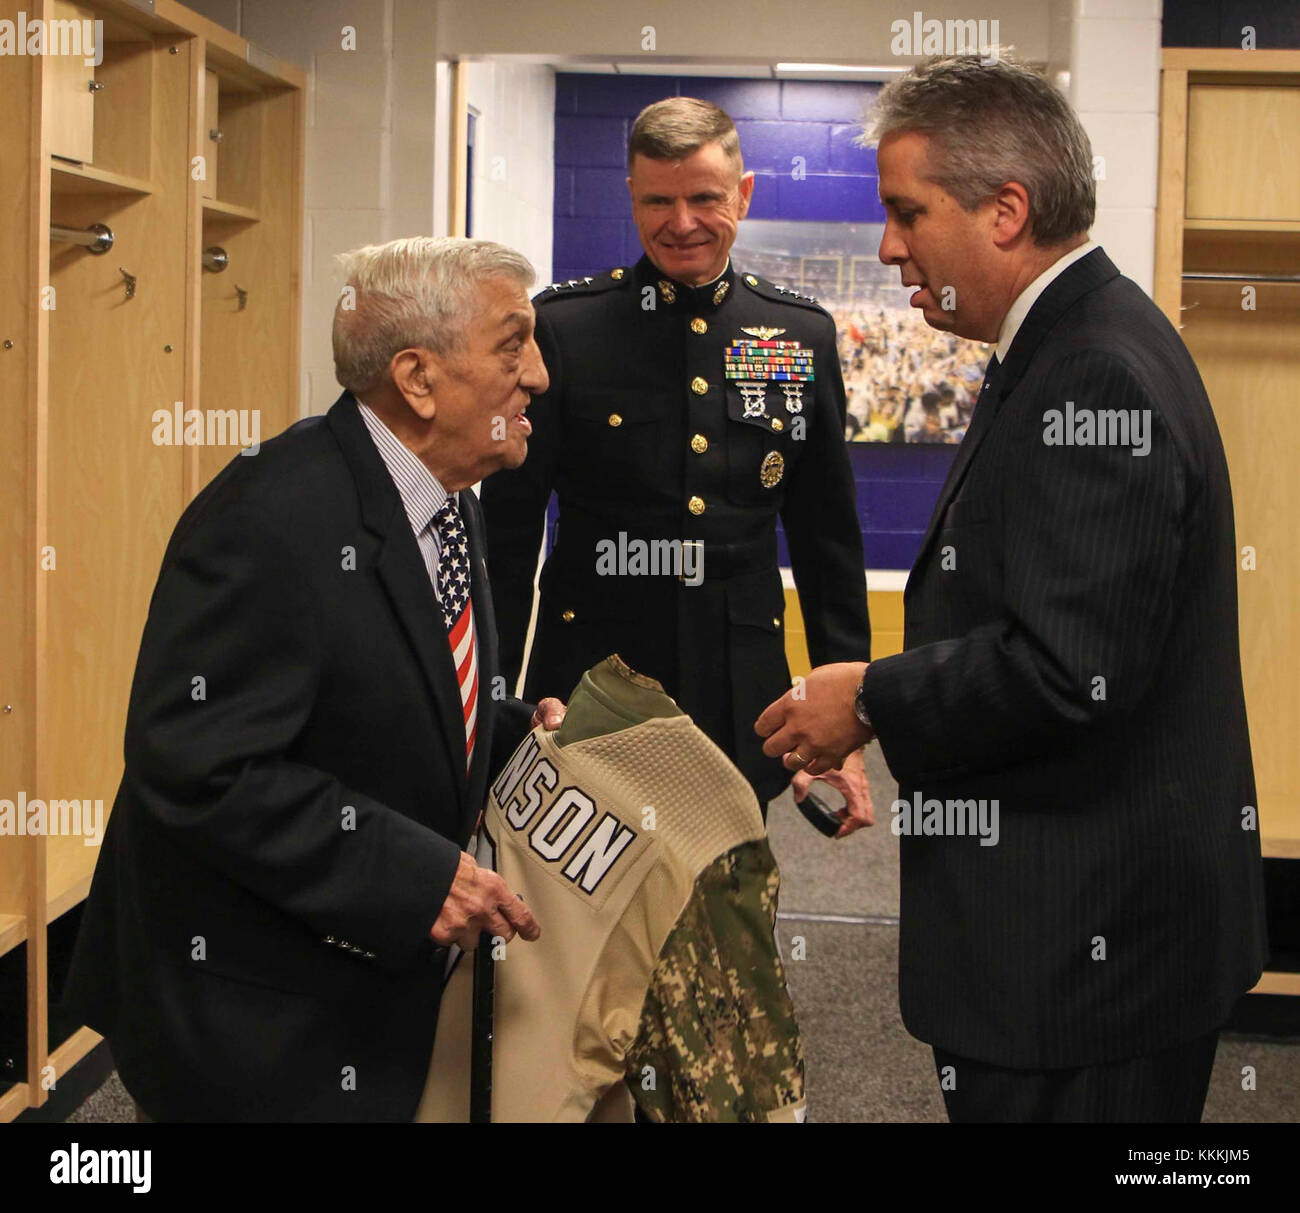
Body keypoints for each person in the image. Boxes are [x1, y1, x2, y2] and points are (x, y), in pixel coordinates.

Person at [756, 55, 1267, 1122]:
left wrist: (869, 696)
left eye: (907, 212)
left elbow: (1066, 672)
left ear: (1005, 210)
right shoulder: (1067, 344)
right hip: (1080, 941)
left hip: (1089, 964)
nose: (888, 244)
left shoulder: (1093, 369)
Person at [63, 236, 564, 1122]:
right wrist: (413, 876)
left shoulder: (447, 496)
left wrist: (513, 730)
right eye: (513, 342)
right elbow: (199, 763)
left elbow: (388, 682)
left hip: (356, 998)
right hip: (247, 1020)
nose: (539, 376)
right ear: (418, 378)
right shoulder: (271, 519)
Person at [481, 97, 873, 830]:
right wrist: (492, 713)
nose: (682, 221)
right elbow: (505, 540)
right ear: (630, 197)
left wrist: (848, 718)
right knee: (585, 899)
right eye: (658, 200)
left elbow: (827, 542)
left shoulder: (798, 333)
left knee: (727, 895)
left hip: (737, 677)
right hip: (592, 674)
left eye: (704, 198)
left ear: (744, 195)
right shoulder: (565, 328)